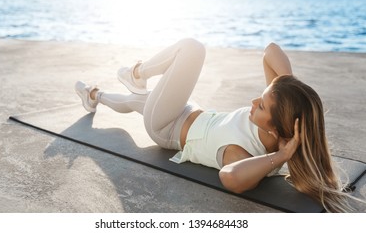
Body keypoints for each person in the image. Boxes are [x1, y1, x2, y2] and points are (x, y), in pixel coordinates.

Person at [75, 38, 355, 212]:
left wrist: (281, 156)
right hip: (189, 110)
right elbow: (270, 51)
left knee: (192, 48)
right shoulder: (269, 121)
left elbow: (231, 177)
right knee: (133, 101)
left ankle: (138, 73)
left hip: (167, 127)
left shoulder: (244, 153)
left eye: (262, 105)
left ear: (276, 129)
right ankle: (94, 95)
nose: (253, 100)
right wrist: (288, 88)